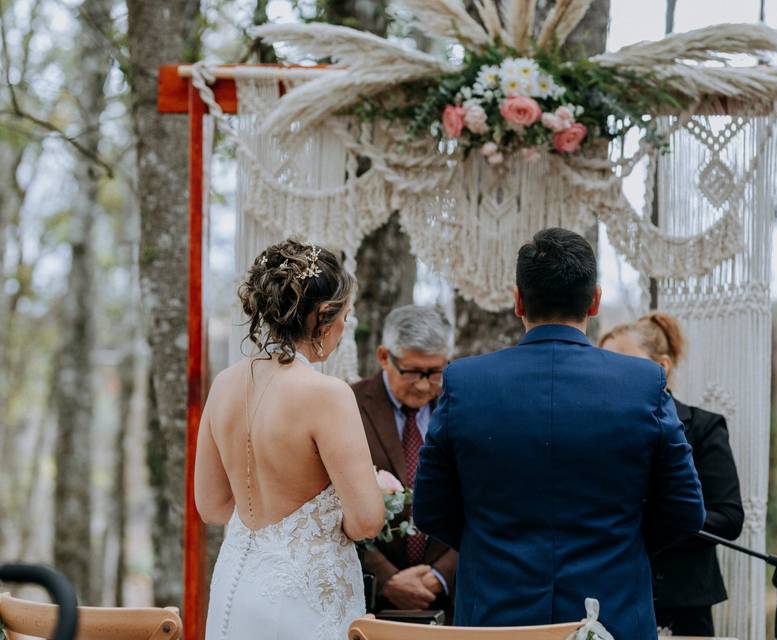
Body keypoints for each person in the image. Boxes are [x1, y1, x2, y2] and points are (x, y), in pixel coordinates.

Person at [412, 227, 705, 640]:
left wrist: (493, 543)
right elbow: (685, 510)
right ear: (595, 300)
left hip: (495, 615)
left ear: (517, 301)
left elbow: (430, 509)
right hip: (611, 611)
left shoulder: (465, 382)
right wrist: (618, 546)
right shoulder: (644, 382)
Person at [196, 240, 384, 640]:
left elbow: (212, 507)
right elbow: (367, 521)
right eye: (345, 318)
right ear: (323, 317)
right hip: (304, 598)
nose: (343, 329)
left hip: (237, 586)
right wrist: (353, 500)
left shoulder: (224, 385)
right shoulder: (327, 395)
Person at [601, 313, 744, 637]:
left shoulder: (704, 427)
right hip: (614, 598)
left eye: (622, 363)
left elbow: (729, 518)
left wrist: (660, 513)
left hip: (685, 602)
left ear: (661, 368)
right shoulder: (598, 433)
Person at [351, 305, 458, 615]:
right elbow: (332, 505)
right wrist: (387, 578)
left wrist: (441, 574)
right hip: (372, 599)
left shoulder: (461, 406)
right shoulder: (350, 405)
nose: (424, 385)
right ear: (384, 357)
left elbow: (483, 498)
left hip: (448, 597)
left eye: (435, 372)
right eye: (412, 372)